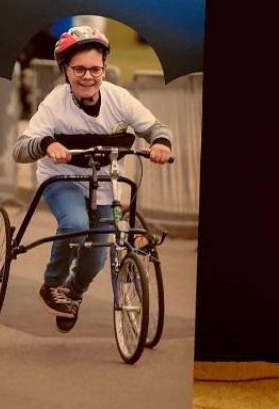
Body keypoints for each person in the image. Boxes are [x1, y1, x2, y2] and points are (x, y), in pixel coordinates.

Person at [12, 25, 173, 328]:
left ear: (104, 69)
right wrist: (47, 144)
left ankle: (71, 293)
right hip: (62, 179)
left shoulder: (118, 98)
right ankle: (53, 284)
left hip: (106, 183)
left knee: (97, 255)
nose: (88, 76)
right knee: (76, 225)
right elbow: (20, 149)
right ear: (65, 70)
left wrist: (161, 143)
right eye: (79, 69)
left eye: (95, 69)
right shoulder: (54, 103)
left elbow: (155, 127)